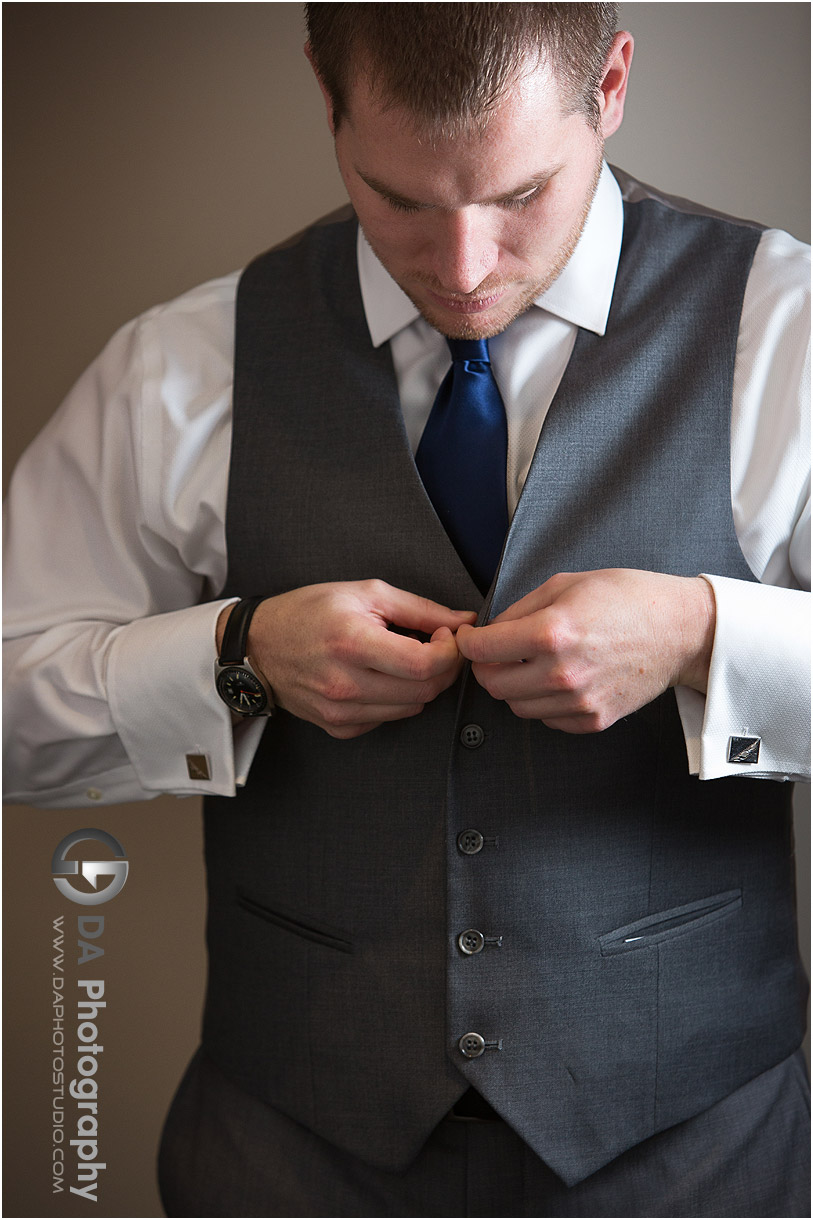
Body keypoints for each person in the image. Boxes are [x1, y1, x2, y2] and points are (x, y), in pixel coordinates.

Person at [3, 4, 810, 1216]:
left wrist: (707, 638)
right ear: (326, 97)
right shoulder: (186, 364)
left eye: (522, 193)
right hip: (285, 1157)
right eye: (401, 201)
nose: (465, 263)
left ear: (614, 83)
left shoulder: (785, 335)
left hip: (701, 1159)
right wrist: (237, 660)